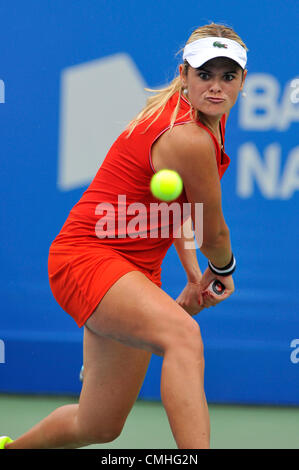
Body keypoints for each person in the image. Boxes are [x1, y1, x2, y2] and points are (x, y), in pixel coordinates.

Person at [1, 22, 248, 449]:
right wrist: (221, 267)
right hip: (87, 257)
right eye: (205, 74)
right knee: (182, 336)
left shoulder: (200, 120)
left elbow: (180, 208)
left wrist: (192, 273)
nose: (216, 87)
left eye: (228, 76)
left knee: (98, 425)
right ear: (184, 74)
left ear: (243, 80)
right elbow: (214, 232)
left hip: (132, 272)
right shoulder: (188, 136)